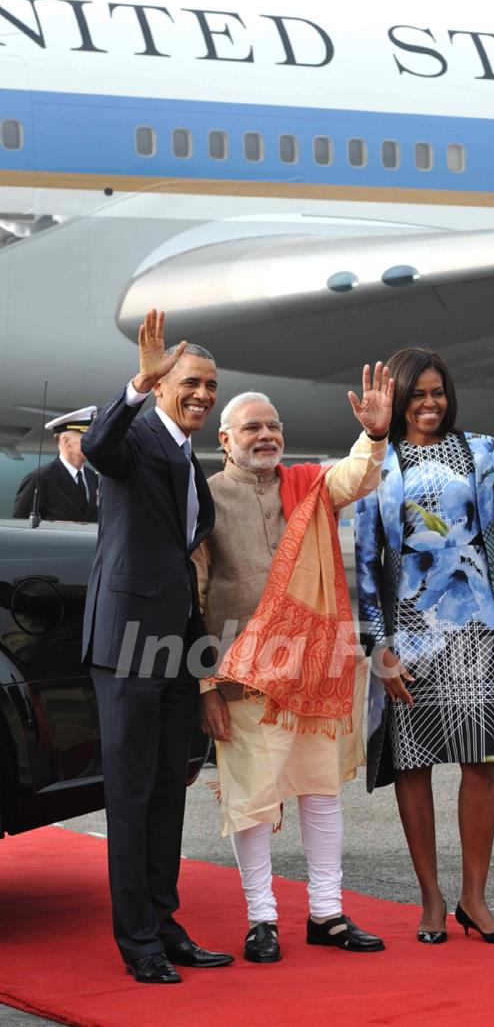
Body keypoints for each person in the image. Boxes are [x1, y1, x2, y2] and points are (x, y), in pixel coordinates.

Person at [355, 350, 494, 945]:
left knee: (481, 762)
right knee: (413, 763)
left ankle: (475, 898)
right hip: (408, 628)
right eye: (417, 393)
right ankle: (431, 898)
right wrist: (379, 645)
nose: (430, 403)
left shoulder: (479, 449)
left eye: (438, 392)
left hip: (476, 626)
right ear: (397, 398)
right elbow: (368, 562)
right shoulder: (378, 459)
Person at [195, 366, 393, 963]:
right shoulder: (203, 495)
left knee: (320, 792)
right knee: (251, 799)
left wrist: (376, 435)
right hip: (241, 672)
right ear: (225, 440)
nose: (265, 435)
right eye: (251, 427)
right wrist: (204, 682)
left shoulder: (307, 484)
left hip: (313, 669)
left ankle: (327, 914)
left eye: (273, 426)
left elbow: (356, 476)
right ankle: (262, 920)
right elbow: (194, 589)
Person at [81, 309, 233, 983]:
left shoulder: (185, 456)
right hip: (127, 647)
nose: (202, 394)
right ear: (165, 381)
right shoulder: (136, 438)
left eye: (210, 386)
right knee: (134, 794)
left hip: (174, 650)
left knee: (169, 792)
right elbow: (96, 447)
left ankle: (163, 921)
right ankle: (135, 938)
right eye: (191, 383)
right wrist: (137, 384)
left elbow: (185, 565)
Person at [14, 407, 99, 522]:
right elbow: (20, 527)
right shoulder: (40, 478)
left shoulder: (94, 479)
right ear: (66, 441)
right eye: (87, 436)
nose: (95, 442)